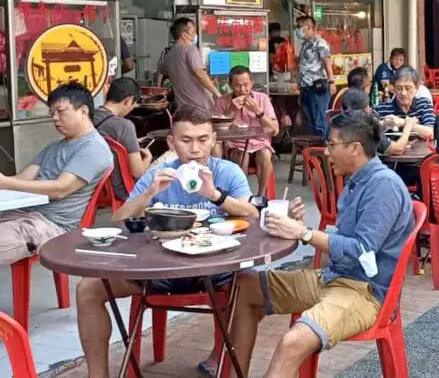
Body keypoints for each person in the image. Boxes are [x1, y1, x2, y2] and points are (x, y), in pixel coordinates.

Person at [74, 107, 286, 377]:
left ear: (213, 140)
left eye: (202, 139)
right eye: (186, 141)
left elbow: (253, 214)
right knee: (88, 288)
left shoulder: (228, 172)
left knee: (251, 286)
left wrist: (213, 194)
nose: (195, 149)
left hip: (216, 269)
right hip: (157, 271)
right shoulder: (158, 174)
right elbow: (119, 221)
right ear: (172, 143)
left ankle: (227, 365)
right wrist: (151, 192)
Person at [225, 110, 414, 377]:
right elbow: (339, 247)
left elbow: (362, 251)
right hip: (334, 278)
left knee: (293, 342)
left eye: (331, 145)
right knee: (245, 286)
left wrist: (303, 233)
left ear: (355, 149)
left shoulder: (383, 186)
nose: (326, 152)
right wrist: (291, 226)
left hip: (365, 292)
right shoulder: (357, 181)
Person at [0, 83, 113, 267]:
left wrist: (5, 183)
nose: (55, 118)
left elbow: (60, 190)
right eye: (52, 113)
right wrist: (5, 182)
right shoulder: (55, 147)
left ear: (83, 111)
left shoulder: (94, 148)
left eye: (61, 111)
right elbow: (22, 180)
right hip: (25, 214)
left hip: (53, 225)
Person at [212, 65, 280, 194]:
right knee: (241, 156)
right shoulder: (222, 101)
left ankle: (260, 195)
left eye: (246, 84)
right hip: (234, 145)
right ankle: (242, 194)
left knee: (265, 155)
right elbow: (214, 130)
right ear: (230, 85)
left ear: (252, 82)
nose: (243, 89)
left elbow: (275, 129)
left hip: (259, 143)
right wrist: (231, 110)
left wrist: (258, 112)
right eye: (237, 85)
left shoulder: (262, 98)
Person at [92, 77, 151, 200]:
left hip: (96, 185)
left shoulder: (89, 117)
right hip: (120, 189)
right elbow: (138, 172)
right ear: (128, 101)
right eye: (133, 104)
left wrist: (133, 142)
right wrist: (148, 158)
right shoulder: (124, 125)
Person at [160, 17, 221, 111]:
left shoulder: (169, 55)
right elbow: (200, 73)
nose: (195, 35)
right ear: (184, 35)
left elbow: (161, 72)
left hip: (182, 106)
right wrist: (217, 93)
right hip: (200, 105)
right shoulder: (190, 49)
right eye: (193, 33)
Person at [342, 90, 416, 156]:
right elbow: (397, 149)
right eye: (367, 107)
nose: (370, 110)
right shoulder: (367, 128)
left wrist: (382, 123)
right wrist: (408, 127)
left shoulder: (338, 125)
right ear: (362, 110)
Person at [295, 15, 334, 138]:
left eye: (300, 28)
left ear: (309, 27)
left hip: (317, 87)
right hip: (306, 88)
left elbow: (327, 63)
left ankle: (324, 150)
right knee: (309, 122)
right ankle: (313, 152)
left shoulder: (320, 43)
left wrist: (331, 81)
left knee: (319, 121)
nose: (298, 31)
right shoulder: (305, 44)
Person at [373, 66, 435, 141]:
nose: (403, 93)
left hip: (422, 152)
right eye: (399, 88)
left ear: (416, 88)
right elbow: (366, 129)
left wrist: (403, 122)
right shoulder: (382, 108)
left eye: (408, 88)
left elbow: (431, 133)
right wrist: (383, 123)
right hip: (392, 151)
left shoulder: (424, 104)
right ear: (393, 89)